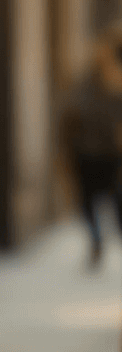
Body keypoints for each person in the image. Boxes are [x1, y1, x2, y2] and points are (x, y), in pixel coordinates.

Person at [59, 26, 122, 267]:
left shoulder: (113, 82)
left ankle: (99, 239)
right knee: (88, 202)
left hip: (105, 153)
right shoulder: (85, 84)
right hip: (87, 153)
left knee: (112, 201)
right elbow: (69, 115)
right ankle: (96, 240)